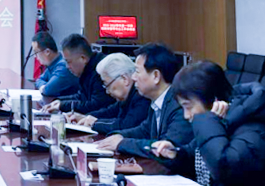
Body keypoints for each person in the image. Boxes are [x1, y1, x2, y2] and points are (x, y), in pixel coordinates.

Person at [93, 43, 194, 177]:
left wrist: (122, 143)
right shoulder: (157, 100)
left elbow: (166, 149)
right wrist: (119, 136)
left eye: (137, 71)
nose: (133, 77)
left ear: (156, 76)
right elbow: (144, 130)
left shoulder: (179, 105)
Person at [71, 52, 151, 135]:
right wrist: (85, 117)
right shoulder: (126, 97)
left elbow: (125, 125)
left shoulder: (142, 96)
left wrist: (94, 123)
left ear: (125, 79)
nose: (107, 91)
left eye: (107, 85)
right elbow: (109, 112)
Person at [44, 34, 114, 114]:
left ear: (83, 58)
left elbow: (96, 105)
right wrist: (59, 101)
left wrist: (63, 106)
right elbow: (82, 96)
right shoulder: (87, 69)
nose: (67, 67)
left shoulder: (101, 71)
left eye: (68, 62)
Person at [31, 31, 78, 97]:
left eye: (36, 52)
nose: (35, 56)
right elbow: (39, 80)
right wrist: (43, 87)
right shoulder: (52, 63)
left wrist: (44, 88)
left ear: (47, 52)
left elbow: (48, 90)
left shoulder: (63, 66)